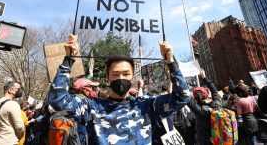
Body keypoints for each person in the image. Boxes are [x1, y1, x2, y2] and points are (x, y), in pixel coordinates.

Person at [49, 34, 190, 144]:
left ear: (132, 75)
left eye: (126, 74)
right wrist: (68, 60)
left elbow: (182, 97)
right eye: (115, 74)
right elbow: (58, 101)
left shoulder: (147, 105)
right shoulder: (91, 107)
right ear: (108, 76)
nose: (121, 78)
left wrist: (171, 63)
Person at [187, 69, 222, 145]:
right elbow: (214, 90)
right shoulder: (217, 103)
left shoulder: (199, 110)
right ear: (207, 94)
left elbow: (185, 96)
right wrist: (204, 77)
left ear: (195, 98)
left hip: (205, 141)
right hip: (219, 138)